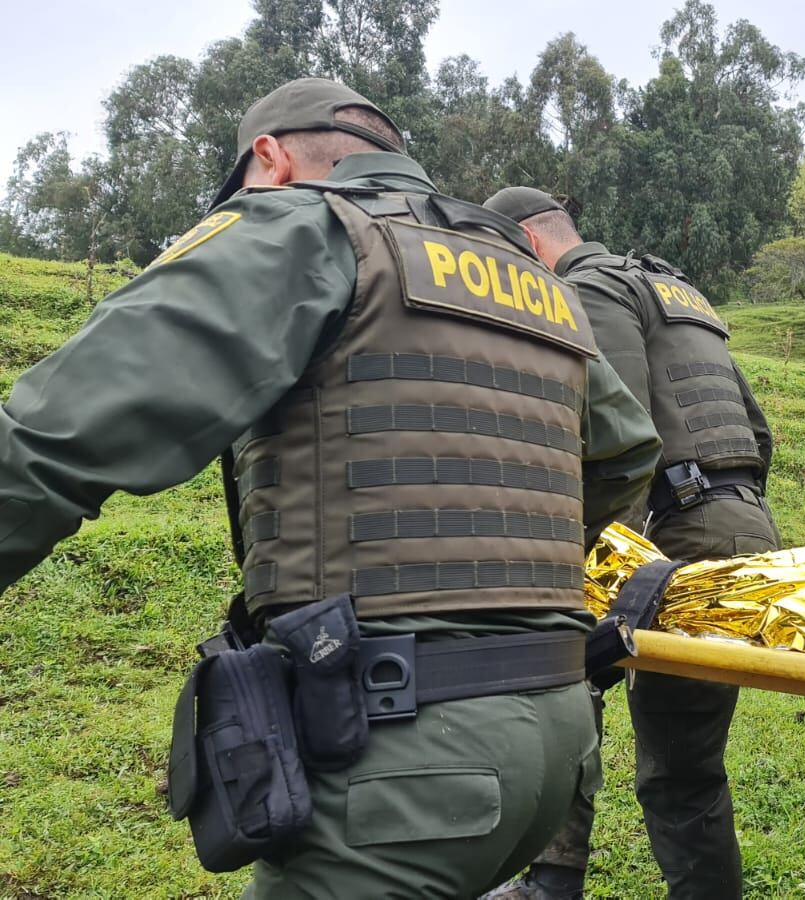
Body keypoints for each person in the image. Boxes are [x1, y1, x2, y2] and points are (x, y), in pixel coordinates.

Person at [0, 78, 661, 896]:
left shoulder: (299, 227)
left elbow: (48, 440)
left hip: (400, 754)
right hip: (555, 737)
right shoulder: (532, 278)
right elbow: (627, 451)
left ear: (271, 160)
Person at [483, 186, 779, 900]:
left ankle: (552, 882)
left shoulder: (587, 289)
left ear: (529, 246)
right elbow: (758, 432)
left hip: (668, 535)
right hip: (737, 524)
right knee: (681, 761)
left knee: (559, 686)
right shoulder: (673, 289)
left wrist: (569, 550)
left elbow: (617, 435)